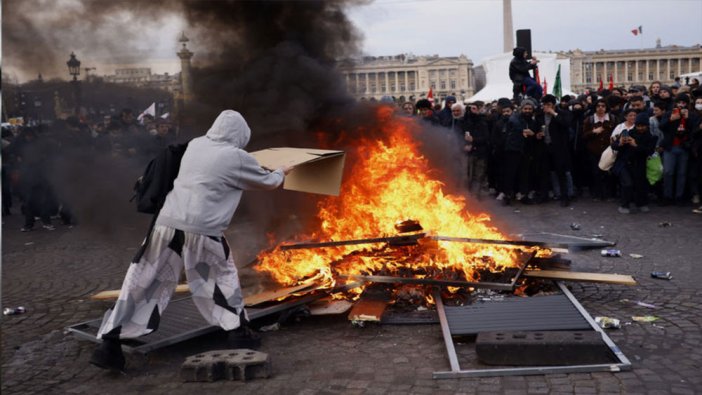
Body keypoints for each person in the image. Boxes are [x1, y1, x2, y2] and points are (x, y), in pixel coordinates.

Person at [90, 110, 292, 371]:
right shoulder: (236, 156)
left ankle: (109, 345)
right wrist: (281, 171)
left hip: (166, 224)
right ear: (240, 135)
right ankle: (238, 333)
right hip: (203, 229)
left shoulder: (196, 144)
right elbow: (267, 182)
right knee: (219, 279)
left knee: (143, 280)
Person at [611, 112, 656, 214]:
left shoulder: (651, 137)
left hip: (639, 165)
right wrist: (620, 143)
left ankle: (641, 203)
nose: (640, 128)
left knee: (640, 185)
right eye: (638, 126)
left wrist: (636, 145)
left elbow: (649, 151)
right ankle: (624, 205)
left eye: (643, 126)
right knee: (627, 184)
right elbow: (614, 146)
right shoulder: (628, 133)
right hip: (624, 164)